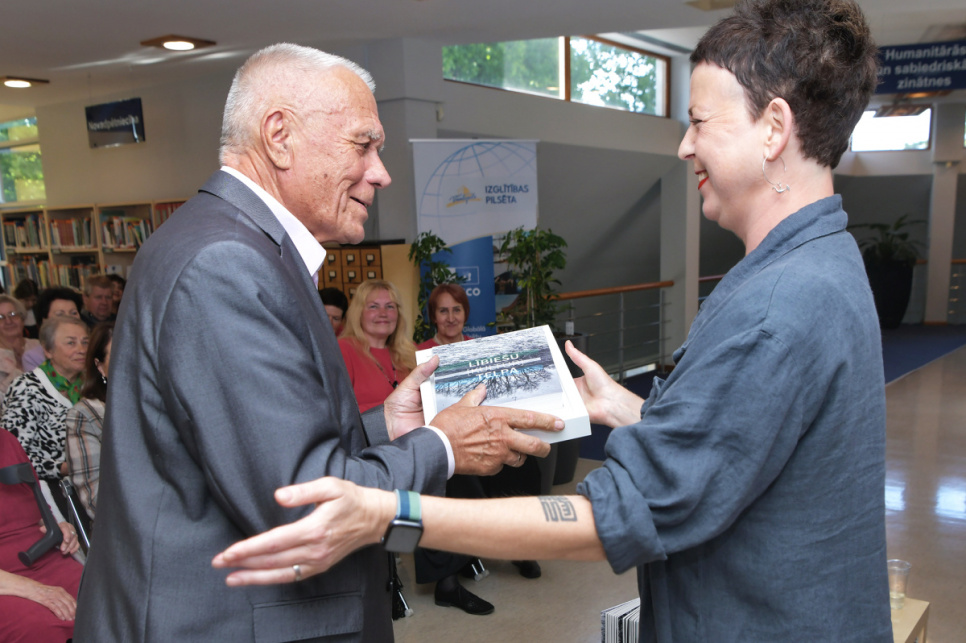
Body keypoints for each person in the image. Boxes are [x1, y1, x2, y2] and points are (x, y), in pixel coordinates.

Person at [214, 1, 893, 640]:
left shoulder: (777, 305)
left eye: (699, 122)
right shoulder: (822, 264)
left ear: (773, 127)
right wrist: (628, 408)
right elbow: (744, 442)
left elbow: (607, 518)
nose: (685, 146)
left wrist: (389, 510)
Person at [74, 43, 560, 642]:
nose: (381, 172)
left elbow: (262, 444)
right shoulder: (225, 263)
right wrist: (442, 447)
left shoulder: (229, 243)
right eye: (364, 145)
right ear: (279, 137)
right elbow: (303, 502)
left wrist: (387, 426)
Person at [2, 316, 89, 524]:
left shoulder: (90, 386)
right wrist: (61, 467)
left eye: (85, 342)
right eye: (71, 343)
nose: (81, 349)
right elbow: (12, 456)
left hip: (91, 483)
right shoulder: (27, 388)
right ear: (48, 351)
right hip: (49, 492)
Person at [0, 430, 83, 643]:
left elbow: (34, 509)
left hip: (42, 555)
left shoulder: (6, 440)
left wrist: (58, 527)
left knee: (105, 597)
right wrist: (32, 589)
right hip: (5, 579)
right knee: (39, 627)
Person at [338, 280, 415, 413]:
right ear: (358, 313)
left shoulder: (410, 353)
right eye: (373, 307)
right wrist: (392, 409)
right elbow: (340, 410)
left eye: (390, 306)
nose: (383, 313)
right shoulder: (343, 349)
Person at [64, 321, 113, 523]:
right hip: (126, 524)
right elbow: (96, 503)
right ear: (100, 367)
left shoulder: (162, 403)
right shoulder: (85, 416)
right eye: (117, 356)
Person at [21, 287, 84, 373]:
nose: (69, 319)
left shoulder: (90, 348)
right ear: (45, 320)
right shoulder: (33, 357)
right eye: (60, 314)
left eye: (73, 313)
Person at [0, 294, 42, 395]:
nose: (8, 321)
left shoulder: (38, 345)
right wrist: (19, 366)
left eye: (13, 314)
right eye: (1, 317)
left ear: (22, 319)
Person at [416, 283, 472, 349]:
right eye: (443, 311)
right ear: (434, 316)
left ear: (465, 313)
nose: (451, 319)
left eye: (456, 310)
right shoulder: (421, 351)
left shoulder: (478, 350)